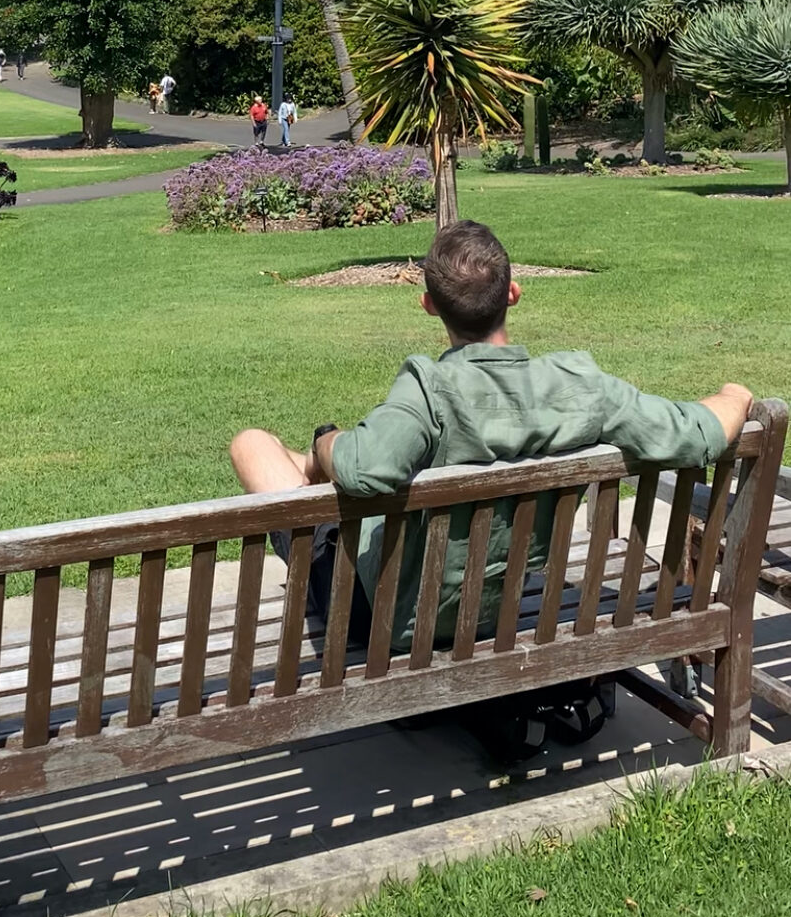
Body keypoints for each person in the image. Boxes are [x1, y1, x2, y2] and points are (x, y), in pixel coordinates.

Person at [230, 219, 752, 661]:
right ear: (513, 293)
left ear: (429, 306)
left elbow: (365, 468)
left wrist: (326, 444)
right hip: (503, 608)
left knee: (252, 443)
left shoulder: (429, 391)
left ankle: (301, 462)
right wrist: (735, 393)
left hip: (386, 618)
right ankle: (303, 463)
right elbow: (698, 433)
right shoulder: (579, 386)